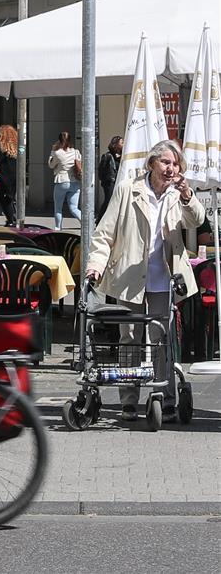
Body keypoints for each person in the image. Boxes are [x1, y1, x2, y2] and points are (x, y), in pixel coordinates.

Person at [86, 139, 204, 423]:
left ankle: (164, 396)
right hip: (129, 277)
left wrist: (188, 195)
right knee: (129, 338)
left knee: (162, 340)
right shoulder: (128, 190)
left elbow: (196, 220)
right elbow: (105, 233)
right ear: (151, 163)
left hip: (165, 277)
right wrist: (95, 265)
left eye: (175, 164)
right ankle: (129, 401)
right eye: (165, 162)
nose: (170, 168)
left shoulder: (178, 195)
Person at [48, 131, 82, 229]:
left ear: (59, 140)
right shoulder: (76, 152)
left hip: (61, 181)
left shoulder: (58, 153)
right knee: (74, 208)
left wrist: (52, 152)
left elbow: (51, 165)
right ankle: (85, 224)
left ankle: (58, 227)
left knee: (58, 208)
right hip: (75, 182)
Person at [0, 125, 18, 227]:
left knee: (3, 197)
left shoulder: (1, 147)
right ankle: (12, 218)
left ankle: (10, 219)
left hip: (4, 176)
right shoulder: (16, 147)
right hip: (14, 176)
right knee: (10, 197)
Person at [96, 135, 123, 223]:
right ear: (116, 144)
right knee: (109, 200)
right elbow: (101, 170)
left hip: (118, 181)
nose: (123, 144)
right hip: (109, 182)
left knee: (118, 201)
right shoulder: (107, 156)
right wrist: (105, 180)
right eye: (121, 142)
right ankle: (99, 220)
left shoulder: (122, 156)